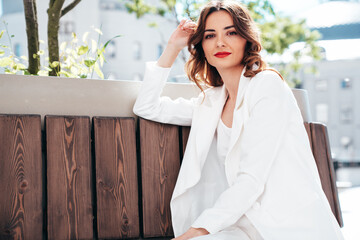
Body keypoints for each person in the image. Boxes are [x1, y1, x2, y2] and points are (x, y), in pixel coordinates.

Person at [133, 1, 344, 239]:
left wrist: (192, 233)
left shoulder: (267, 85)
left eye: (231, 32)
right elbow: (147, 107)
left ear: (247, 39)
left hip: (286, 226)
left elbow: (251, 180)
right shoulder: (211, 102)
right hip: (241, 225)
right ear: (201, 45)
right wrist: (172, 47)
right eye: (210, 35)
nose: (220, 42)